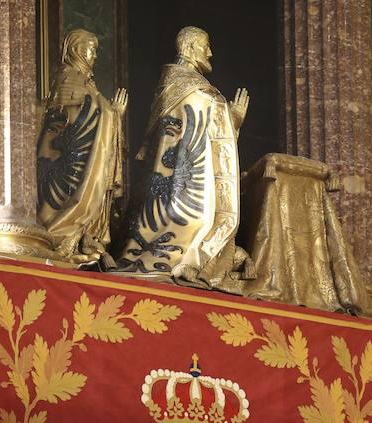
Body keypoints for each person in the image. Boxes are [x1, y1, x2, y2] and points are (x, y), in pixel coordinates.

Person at [117, 26, 253, 287]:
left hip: (173, 181)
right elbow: (202, 130)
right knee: (196, 219)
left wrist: (230, 121)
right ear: (190, 48)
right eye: (206, 46)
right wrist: (232, 118)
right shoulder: (191, 88)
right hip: (182, 189)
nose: (210, 53)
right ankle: (186, 259)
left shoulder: (175, 84)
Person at [36, 29, 127, 264]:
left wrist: (112, 115)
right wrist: (112, 114)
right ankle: (69, 235)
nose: (95, 55)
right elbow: (73, 117)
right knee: (78, 190)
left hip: (83, 154)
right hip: (69, 157)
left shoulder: (86, 81)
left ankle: (87, 236)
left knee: (91, 185)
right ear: (77, 50)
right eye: (92, 49)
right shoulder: (69, 78)